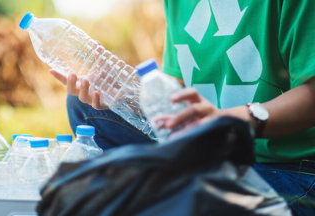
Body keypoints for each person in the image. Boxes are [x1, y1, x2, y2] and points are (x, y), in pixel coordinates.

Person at [50, 0, 315, 215]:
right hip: (210, 154)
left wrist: (228, 120)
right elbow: (178, 90)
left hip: (287, 167)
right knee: (88, 107)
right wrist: (125, 95)